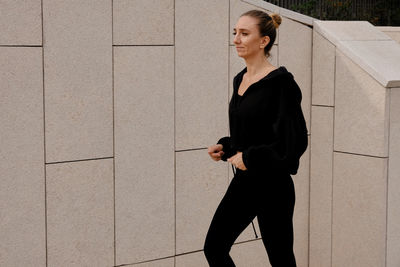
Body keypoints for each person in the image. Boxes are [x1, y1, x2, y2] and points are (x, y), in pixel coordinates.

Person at [203, 10, 308, 267]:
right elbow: (252, 132)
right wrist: (227, 147)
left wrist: (250, 157)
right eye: (235, 32)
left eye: (245, 33)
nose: (237, 39)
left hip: (273, 186)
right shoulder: (241, 78)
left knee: (281, 259)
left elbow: (294, 142)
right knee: (214, 248)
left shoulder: (282, 83)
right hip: (246, 183)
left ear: (264, 41)